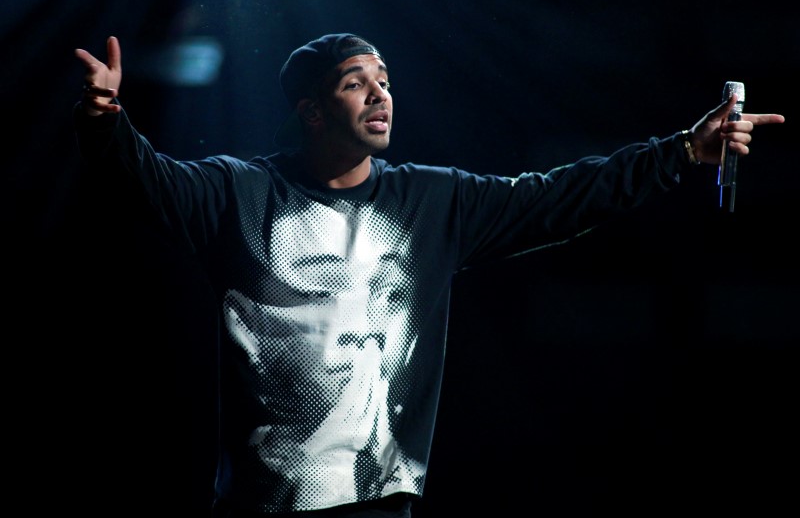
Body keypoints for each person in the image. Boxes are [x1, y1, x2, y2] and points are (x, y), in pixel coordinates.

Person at [73, 33, 784, 517]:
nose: (381, 94)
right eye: (357, 84)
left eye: (384, 80)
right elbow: (152, 183)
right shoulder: (239, 195)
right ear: (313, 111)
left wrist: (684, 150)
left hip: (384, 502)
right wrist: (107, 120)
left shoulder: (431, 201)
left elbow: (557, 197)